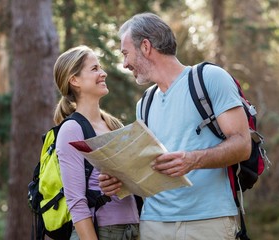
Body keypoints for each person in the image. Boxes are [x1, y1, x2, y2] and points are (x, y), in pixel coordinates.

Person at [98, 13, 251, 240]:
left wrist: (193, 159)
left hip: (208, 221)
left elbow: (242, 145)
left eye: (126, 53)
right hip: (154, 223)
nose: (125, 64)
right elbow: (150, 166)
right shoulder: (145, 104)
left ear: (146, 46)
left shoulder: (210, 78)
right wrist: (122, 180)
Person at [53, 45, 139, 240]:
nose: (103, 73)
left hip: (132, 229)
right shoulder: (71, 129)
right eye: (94, 69)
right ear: (74, 80)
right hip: (101, 231)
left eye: (100, 68)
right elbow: (76, 202)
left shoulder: (114, 124)